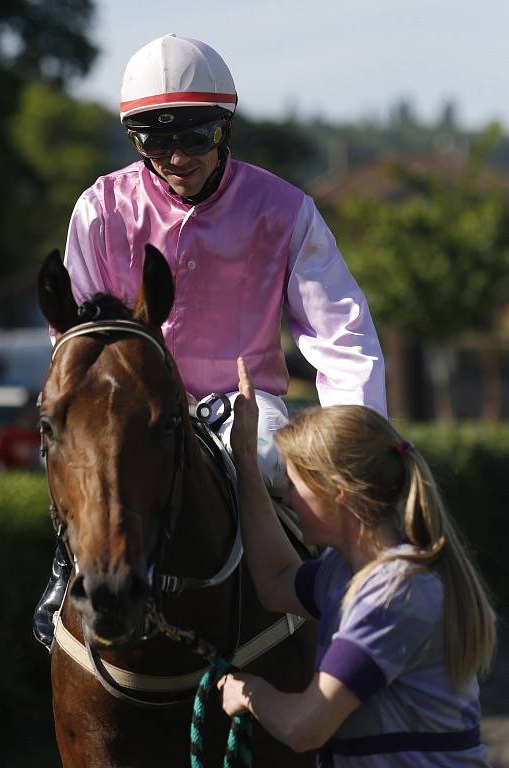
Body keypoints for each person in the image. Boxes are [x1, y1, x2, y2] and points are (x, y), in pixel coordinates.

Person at [34, 33, 387, 649]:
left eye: (194, 137)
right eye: (155, 140)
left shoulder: (285, 210)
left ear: (224, 129)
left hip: (240, 403)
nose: (176, 157)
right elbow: (75, 340)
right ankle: (64, 571)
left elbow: (343, 336)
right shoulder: (98, 209)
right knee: (83, 459)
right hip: (129, 404)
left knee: (279, 466)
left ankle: (338, 608)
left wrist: (362, 453)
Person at [218, 357, 496, 767]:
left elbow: (303, 728)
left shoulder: (391, 594)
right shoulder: (347, 572)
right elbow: (275, 581)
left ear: (338, 493)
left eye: (295, 484)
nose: (289, 498)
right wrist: (244, 460)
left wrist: (248, 692)